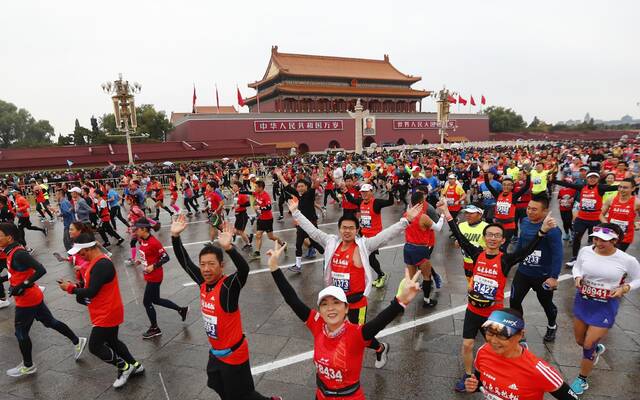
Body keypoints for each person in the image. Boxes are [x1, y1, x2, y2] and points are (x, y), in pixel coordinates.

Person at [267, 240, 422, 400]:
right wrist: (274, 268)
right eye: (325, 304)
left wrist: (400, 301)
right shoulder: (317, 323)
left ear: (346, 308)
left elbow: (380, 321)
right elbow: (292, 300)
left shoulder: (356, 334)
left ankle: (381, 349)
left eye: (336, 303)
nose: (330, 308)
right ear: (320, 310)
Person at [288, 196, 423, 368]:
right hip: (337, 303)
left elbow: (385, 236)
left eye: (351, 228)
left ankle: (380, 348)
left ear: (357, 230)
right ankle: (350, 356)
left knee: (359, 337)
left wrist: (406, 220)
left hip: (356, 303)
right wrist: (295, 212)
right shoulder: (331, 242)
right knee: (339, 334)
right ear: (339, 229)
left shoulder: (364, 246)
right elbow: (313, 231)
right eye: (344, 228)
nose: (347, 231)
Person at [438, 200, 556, 392]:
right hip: (473, 310)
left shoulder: (506, 260)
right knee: (467, 345)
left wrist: (542, 231)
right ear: (484, 239)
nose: (492, 238)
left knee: (494, 348)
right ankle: (469, 375)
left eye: (497, 236)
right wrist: (446, 212)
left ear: (502, 241)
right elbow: (460, 235)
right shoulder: (476, 254)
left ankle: (492, 374)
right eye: (489, 235)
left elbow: (526, 250)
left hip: (494, 314)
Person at [170, 215, 282, 400]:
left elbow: (244, 271)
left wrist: (229, 248)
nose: (206, 269)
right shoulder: (203, 282)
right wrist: (175, 237)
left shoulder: (228, 287)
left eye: (211, 264)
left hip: (234, 356)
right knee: (216, 384)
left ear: (221, 266)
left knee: (243, 395)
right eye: (203, 264)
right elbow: (185, 263)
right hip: (216, 353)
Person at [58, 232, 143, 388]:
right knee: (113, 342)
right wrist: (77, 286)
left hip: (107, 312)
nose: (79, 256)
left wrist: (70, 289)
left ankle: (124, 367)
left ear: (88, 249)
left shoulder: (102, 264)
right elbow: (93, 287)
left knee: (95, 346)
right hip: (106, 309)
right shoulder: (95, 262)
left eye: (80, 252)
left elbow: (92, 292)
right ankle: (136, 366)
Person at [0, 222, 86, 377]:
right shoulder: (10, 251)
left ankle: (28, 366)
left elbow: (41, 269)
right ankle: (77, 340)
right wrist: (7, 281)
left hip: (27, 301)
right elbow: (18, 273)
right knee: (50, 322)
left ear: (9, 237)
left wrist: (23, 285)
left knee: (20, 333)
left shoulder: (19, 253)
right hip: (32, 297)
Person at [569, 223, 640, 395]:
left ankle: (582, 379)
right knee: (580, 341)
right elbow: (577, 266)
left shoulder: (626, 260)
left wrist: (624, 288)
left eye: (604, 240)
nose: (598, 243)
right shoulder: (585, 251)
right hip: (583, 301)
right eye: (596, 238)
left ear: (615, 240)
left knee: (588, 344)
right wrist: (577, 276)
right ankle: (595, 350)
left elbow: (638, 279)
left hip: (605, 306)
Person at [464, 308, 579, 399]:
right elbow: (480, 381)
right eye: (489, 333)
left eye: (502, 335)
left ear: (520, 335)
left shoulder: (538, 371)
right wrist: (474, 386)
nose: (493, 341)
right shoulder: (483, 351)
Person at [509, 195, 563, 342]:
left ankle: (552, 325)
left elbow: (558, 254)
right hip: (523, 272)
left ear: (545, 211)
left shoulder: (552, 229)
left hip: (543, 276)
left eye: (534, 209)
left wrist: (554, 277)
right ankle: (518, 329)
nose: (530, 212)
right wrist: (510, 260)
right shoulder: (525, 222)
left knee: (546, 304)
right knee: (514, 301)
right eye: (528, 208)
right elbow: (520, 244)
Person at [134, 218, 189, 339]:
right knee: (156, 300)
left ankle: (155, 328)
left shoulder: (154, 242)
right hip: (149, 275)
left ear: (144, 229)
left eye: (137, 229)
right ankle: (181, 310)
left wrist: (153, 266)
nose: (135, 231)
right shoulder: (142, 240)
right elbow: (148, 254)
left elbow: (165, 257)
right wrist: (141, 260)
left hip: (155, 276)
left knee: (147, 302)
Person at [553, 171, 618, 267]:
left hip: (595, 219)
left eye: (594, 177)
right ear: (587, 179)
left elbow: (616, 187)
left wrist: (632, 185)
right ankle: (575, 258)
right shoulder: (582, 187)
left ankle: (595, 258)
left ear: (598, 179)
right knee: (576, 238)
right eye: (590, 177)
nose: (592, 179)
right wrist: (553, 181)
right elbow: (567, 184)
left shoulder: (600, 188)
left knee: (596, 240)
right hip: (581, 218)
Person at [343, 182, 395, 287]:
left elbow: (390, 202)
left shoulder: (376, 203)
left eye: (366, 192)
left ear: (371, 192)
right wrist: (345, 191)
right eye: (362, 192)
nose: (364, 194)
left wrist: (390, 191)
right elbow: (351, 200)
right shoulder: (361, 202)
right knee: (367, 258)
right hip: (363, 236)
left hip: (374, 237)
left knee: (370, 258)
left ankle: (381, 275)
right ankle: (378, 275)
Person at [274, 169, 323, 272]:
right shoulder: (298, 194)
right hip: (301, 224)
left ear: (306, 187)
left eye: (302, 186)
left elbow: (314, 186)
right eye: (298, 186)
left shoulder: (309, 193)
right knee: (298, 244)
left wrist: (315, 180)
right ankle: (298, 265)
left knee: (314, 243)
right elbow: (287, 186)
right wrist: (280, 176)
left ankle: (328, 254)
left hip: (311, 224)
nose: (300, 188)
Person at [403, 191, 444, 307]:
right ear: (421, 202)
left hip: (408, 247)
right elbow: (438, 228)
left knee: (410, 278)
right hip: (420, 249)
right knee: (427, 276)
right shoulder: (423, 217)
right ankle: (427, 300)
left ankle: (401, 300)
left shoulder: (407, 214)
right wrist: (442, 215)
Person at [483, 168, 531, 250]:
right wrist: (485, 172)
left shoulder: (514, 196)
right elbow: (487, 184)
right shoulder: (498, 195)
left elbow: (526, 186)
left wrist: (528, 174)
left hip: (509, 227)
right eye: (504, 184)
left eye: (509, 185)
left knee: (503, 247)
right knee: (497, 246)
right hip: (498, 225)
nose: (506, 186)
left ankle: (503, 261)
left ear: (512, 186)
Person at [599, 178, 639, 252]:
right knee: (605, 254)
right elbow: (601, 215)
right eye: (620, 187)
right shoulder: (611, 199)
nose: (621, 189)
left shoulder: (637, 202)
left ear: (633, 188)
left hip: (625, 237)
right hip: (609, 234)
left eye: (625, 187)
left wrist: (637, 223)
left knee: (617, 256)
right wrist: (607, 225)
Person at [251, 180, 286, 260]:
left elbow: (269, 207)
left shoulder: (266, 196)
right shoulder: (256, 193)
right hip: (260, 218)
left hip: (267, 219)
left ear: (261, 188)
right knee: (258, 235)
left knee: (271, 237)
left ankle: (283, 244)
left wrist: (259, 207)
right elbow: (249, 193)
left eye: (256, 187)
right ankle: (257, 252)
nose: (254, 188)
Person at [456, 204, 488, 285]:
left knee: (478, 286)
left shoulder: (486, 227)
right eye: (466, 213)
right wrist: (457, 242)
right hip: (466, 262)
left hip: (481, 263)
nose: (467, 215)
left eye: (471, 213)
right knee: (470, 283)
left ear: (480, 214)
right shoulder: (461, 225)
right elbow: (459, 241)